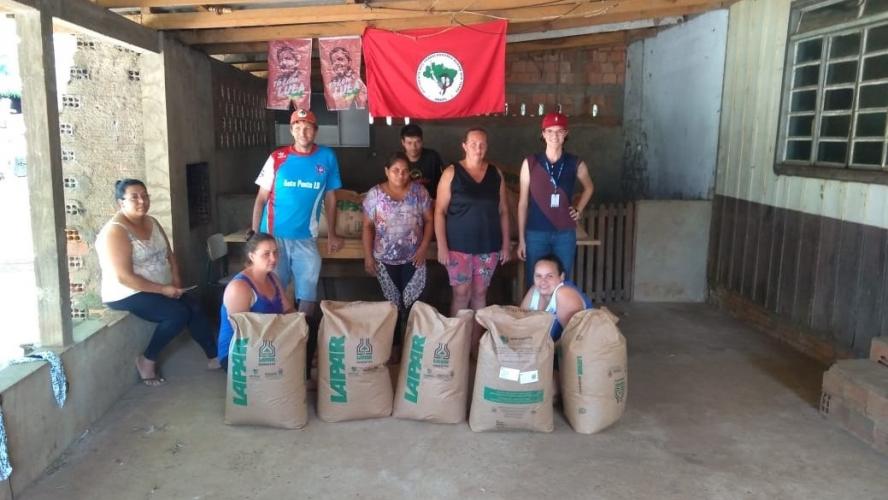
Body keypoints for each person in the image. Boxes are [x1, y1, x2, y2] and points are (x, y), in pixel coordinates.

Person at [97, 179, 218, 386]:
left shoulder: (152, 221)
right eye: (134, 197)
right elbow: (124, 277)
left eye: (145, 196)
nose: (142, 201)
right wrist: (162, 289)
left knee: (194, 306)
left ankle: (215, 357)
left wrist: (176, 282)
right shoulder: (115, 231)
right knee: (177, 313)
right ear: (121, 202)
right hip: (128, 293)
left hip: (159, 288)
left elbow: (170, 255)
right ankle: (147, 360)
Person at [251, 108, 343, 372]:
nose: (304, 132)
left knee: (308, 295)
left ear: (316, 131)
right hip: (274, 240)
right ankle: (272, 349)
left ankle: (302, 349)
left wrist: (332, 232)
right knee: (272, 292)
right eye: (298, 127)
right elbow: (261, 199)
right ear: (291, 130)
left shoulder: (327, 157)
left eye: (308, 127)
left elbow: (331, 197)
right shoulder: (277, 157)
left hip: (306, 239)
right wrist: (256, 235)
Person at [435, 127, 510, 342]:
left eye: (482, 144)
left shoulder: (495, 174)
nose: (478, 148)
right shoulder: (451, 173)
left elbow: (504, 211)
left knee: (480, 293)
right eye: (473, 144)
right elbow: (439, 211)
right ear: (464, 146)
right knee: (461, 294)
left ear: (487, 147)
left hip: (488, 246)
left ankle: (476, 344)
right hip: (458, 247)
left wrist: (506, 245)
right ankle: (457, 343)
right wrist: (442, 246)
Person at [362, 152, 433, 346]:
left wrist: (423, 248)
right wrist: (368, 257)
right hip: (384, 260)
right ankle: (392, 349)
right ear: (386, 171)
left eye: (404, 171)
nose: (400, 175)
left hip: (414, 258)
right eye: (395, 170)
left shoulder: (419, 192)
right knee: (390, 308)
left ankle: (411, 348)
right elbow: (367, 226)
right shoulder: (375, 194)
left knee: (414, 305)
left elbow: (429, 220)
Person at [517, 112, 594, 288]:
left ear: (566, 134)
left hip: (564, 232)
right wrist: (522, 239)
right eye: (550, 131)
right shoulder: (530, 163)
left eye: (559, 131)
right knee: (535, 282)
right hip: (536, 232)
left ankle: (559, 308)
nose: (555, 136)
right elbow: (523, 203)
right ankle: (535, 308)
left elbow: (589, 187)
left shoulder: (575, 163)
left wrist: (579, 209)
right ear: (543, 134)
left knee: (562, 281)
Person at [217, 232, 295, 369]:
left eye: (275, 252)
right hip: (239, 352)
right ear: (252, 256)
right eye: (266, 254)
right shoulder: (239, 287)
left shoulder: (272, 278)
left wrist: (299, 325)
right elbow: (242, 332)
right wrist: (281, 337)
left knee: (309, 326)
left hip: (267, 340)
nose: (273, 258)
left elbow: (288, 310)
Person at [520, 254, 592, 341]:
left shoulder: (563, 293)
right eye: (538, 276)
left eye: (549, 276)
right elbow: (520, 321)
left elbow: (575, 339)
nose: (543, 281)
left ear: (562, 276)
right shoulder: (534, 290)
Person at [400, 124, 444, 198]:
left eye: (417, 142)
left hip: (431, 200)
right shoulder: (398, 160)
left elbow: (443, 183)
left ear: (422, 141)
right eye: (409, 143)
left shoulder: (433, 157)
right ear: (403, 142)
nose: (413, 147)